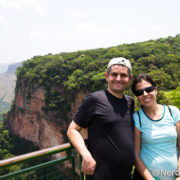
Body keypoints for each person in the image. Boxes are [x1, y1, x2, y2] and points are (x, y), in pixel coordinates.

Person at [67, 57, 135, 180]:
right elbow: (72, 130)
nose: (118, 79)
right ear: (107, 76)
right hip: (101, 174)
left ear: (130, 78)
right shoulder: (95, 99)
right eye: (114, 74)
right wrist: (85, 155)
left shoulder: (130, 102)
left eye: (123, 75)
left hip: (125, 174)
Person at [131, 74, 180, 180]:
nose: (145, 94)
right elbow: (136, 154)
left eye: (149, 89)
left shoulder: (173, 112)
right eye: (139, 92)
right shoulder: (137, 118)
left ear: (155, 90)